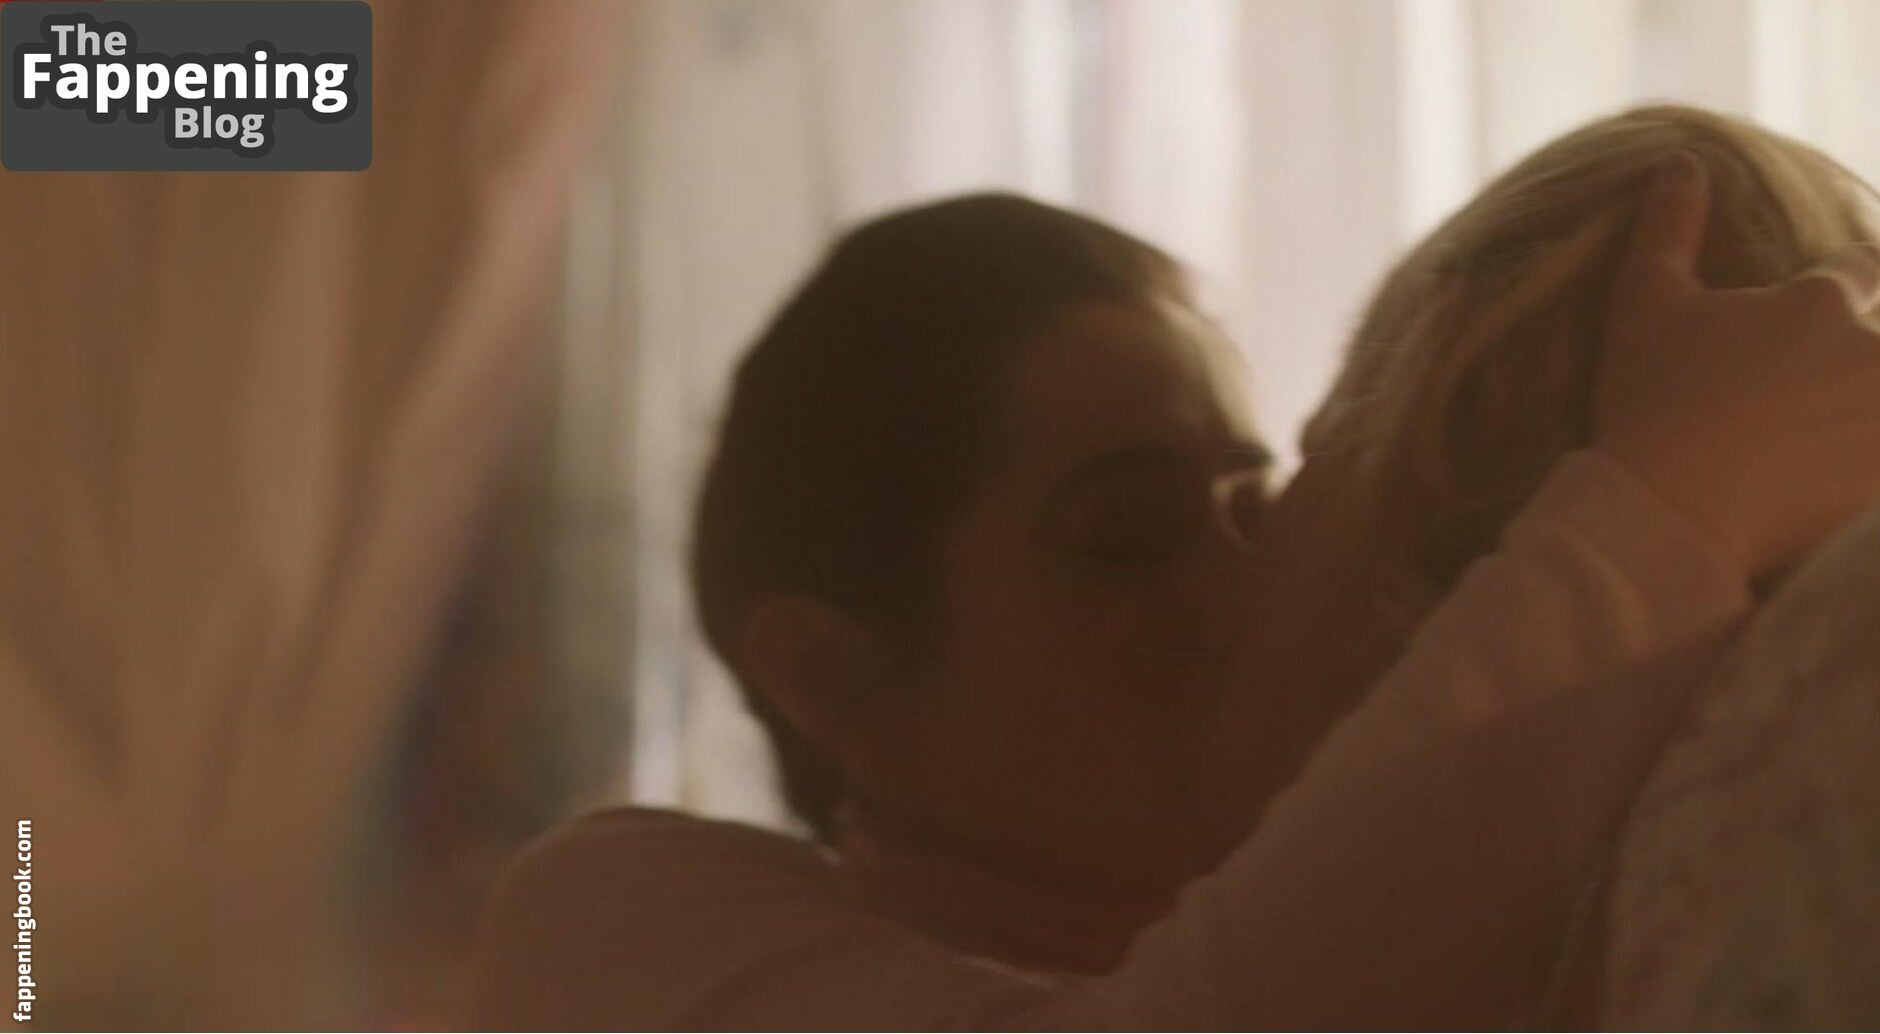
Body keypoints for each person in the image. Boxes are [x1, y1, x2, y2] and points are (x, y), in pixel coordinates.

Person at [472, 107, 1880, 1027]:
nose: (1252, 569)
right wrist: (1673, 501)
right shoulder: (616, 934)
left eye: (1265, 490)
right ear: (832, 675)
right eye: (1127, 543)